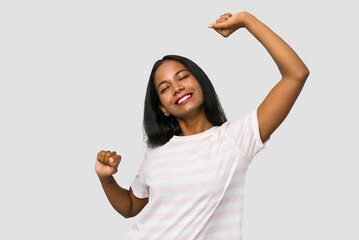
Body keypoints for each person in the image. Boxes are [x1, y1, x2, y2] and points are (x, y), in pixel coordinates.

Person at [95, 11, 309, 239]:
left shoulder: (236, 139)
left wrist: (247, 20)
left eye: (182, 77)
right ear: (163, 108)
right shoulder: (156, 152)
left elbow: (296, 74)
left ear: (200, 81)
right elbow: (129, 206)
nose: (177, 87)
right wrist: (105, 177)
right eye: (165, 88)